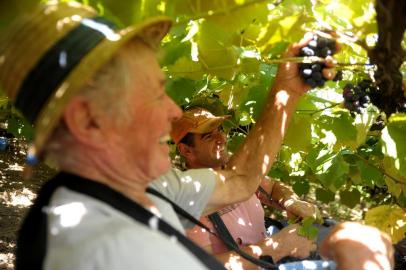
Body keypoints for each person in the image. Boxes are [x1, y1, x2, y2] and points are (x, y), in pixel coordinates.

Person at [0, 2, 394, 270]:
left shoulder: (145, 188)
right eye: (155, 93)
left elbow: (242, 180)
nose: (174, 112)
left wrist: (285, 93)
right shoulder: (99, 247)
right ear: (89, 121)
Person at [171, 106, 319, 260]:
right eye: (208, 136)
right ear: (186, 150)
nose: (221, 138)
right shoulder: (189, 200)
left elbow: (273, 187)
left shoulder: (236, 172)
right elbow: (205, 265)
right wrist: (279, 245)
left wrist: (290, 202)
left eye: (219, 130)